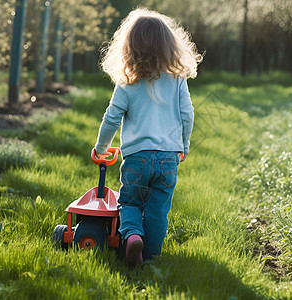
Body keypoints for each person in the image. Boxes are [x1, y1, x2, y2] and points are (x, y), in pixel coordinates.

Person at [93, 7, 203, 267]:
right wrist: (183, 145)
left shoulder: (127, 81)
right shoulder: (176, 79)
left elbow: (112, 117)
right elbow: (187, 114)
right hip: (168, 159)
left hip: (136, 159)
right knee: (158, 210)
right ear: (169, 46)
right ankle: (151, 256)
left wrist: (101, 147)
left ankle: (132, 237)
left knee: (129, 201)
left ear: (128, 47)